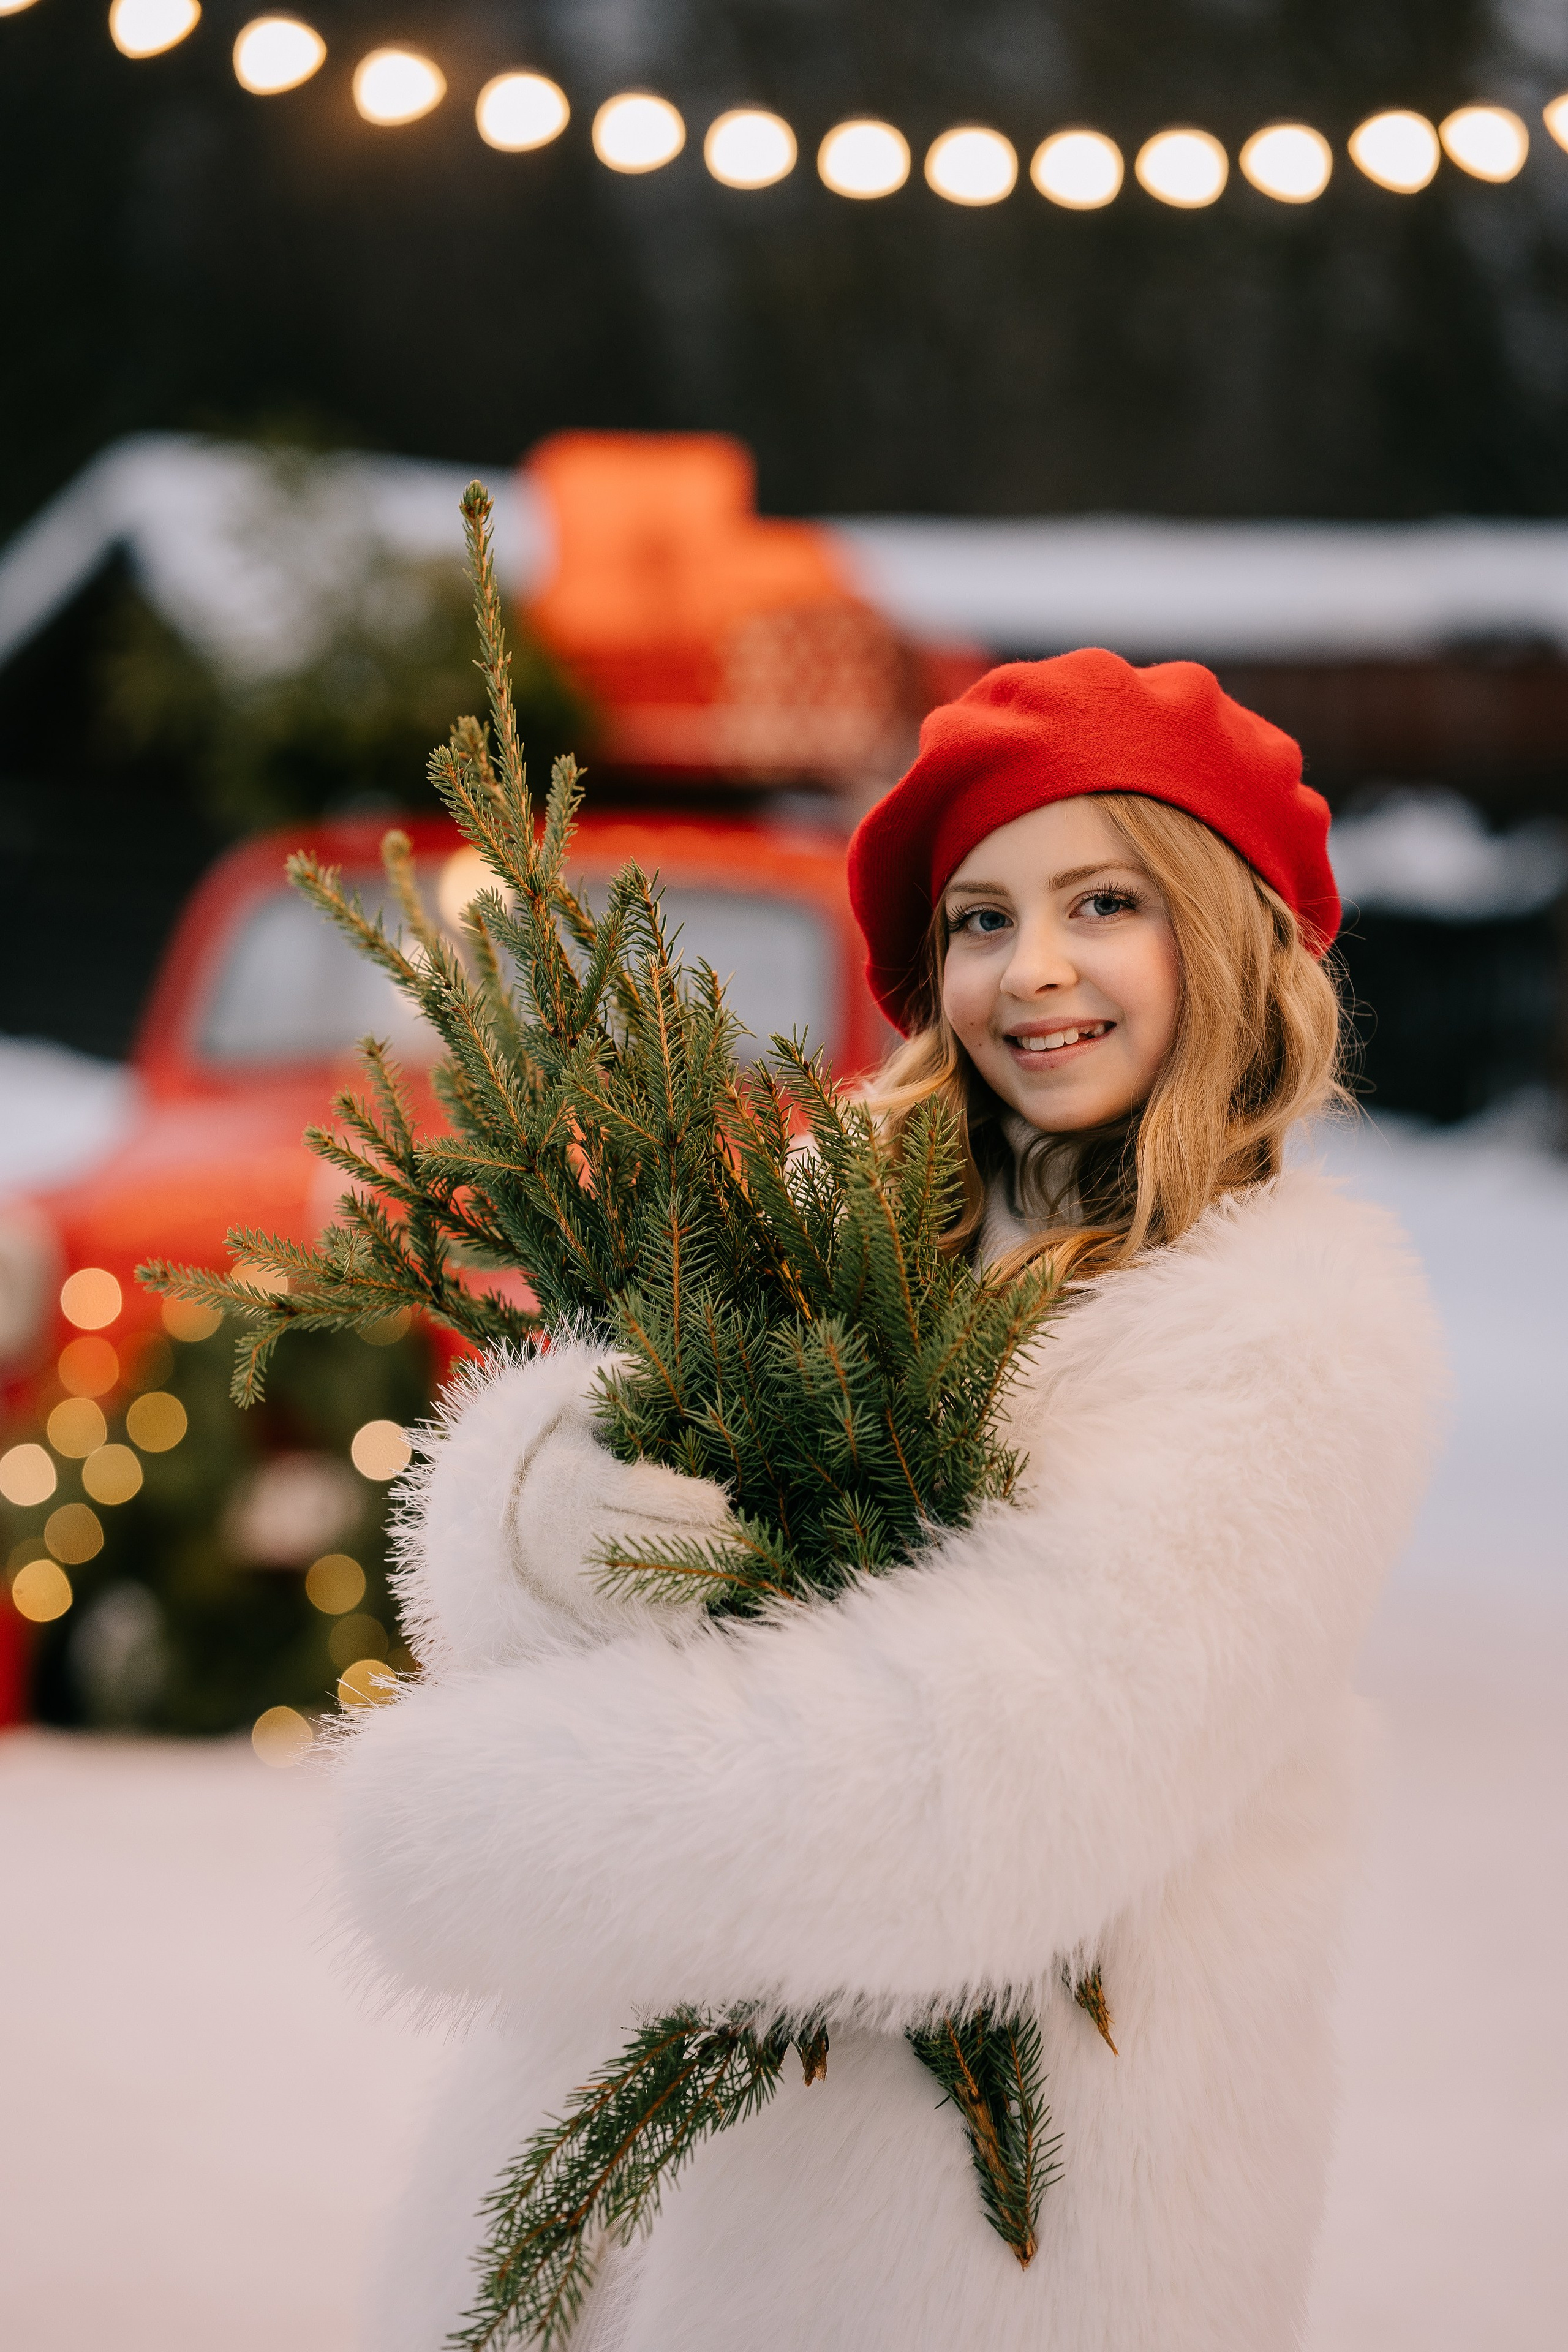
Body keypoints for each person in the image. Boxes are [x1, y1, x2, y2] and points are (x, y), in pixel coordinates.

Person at [337, 650, 1444, 2352]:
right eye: (985, 918)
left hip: (998, 2259)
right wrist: (557, 1510)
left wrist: (472, 1815)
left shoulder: (1296, 1331)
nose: (1037, 969)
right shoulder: (841, 1220)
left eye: (1104, 902)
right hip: (637, 2224)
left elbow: (996, 1774)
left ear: (1222, 935)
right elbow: (552, 1539)